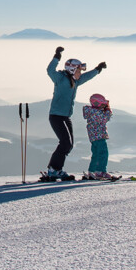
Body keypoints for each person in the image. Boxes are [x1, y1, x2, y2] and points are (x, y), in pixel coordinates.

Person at [41, 46, 106, 181]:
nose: (80, 73)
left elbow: (87, 77)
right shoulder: (60, 78)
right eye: (79, 70)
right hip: (56, 116)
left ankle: (56, 169)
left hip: (65, 117)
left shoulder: (75, 81)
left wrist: (98, 69)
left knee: (68, 144)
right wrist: (57, 56)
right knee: (65, 143)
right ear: (72, 69)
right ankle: (53, 170)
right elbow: (49, 70)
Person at [81, 93, 116, 180]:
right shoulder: (96, 112)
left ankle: (92, 170)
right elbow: (105, 119)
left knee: (96, 154)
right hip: (99, 136)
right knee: (103, 153)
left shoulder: (91, 111)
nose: (103, 107)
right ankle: (100, 171)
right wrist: (108, 110)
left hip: (94, 137)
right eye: (103, 104)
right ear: (97, 103)